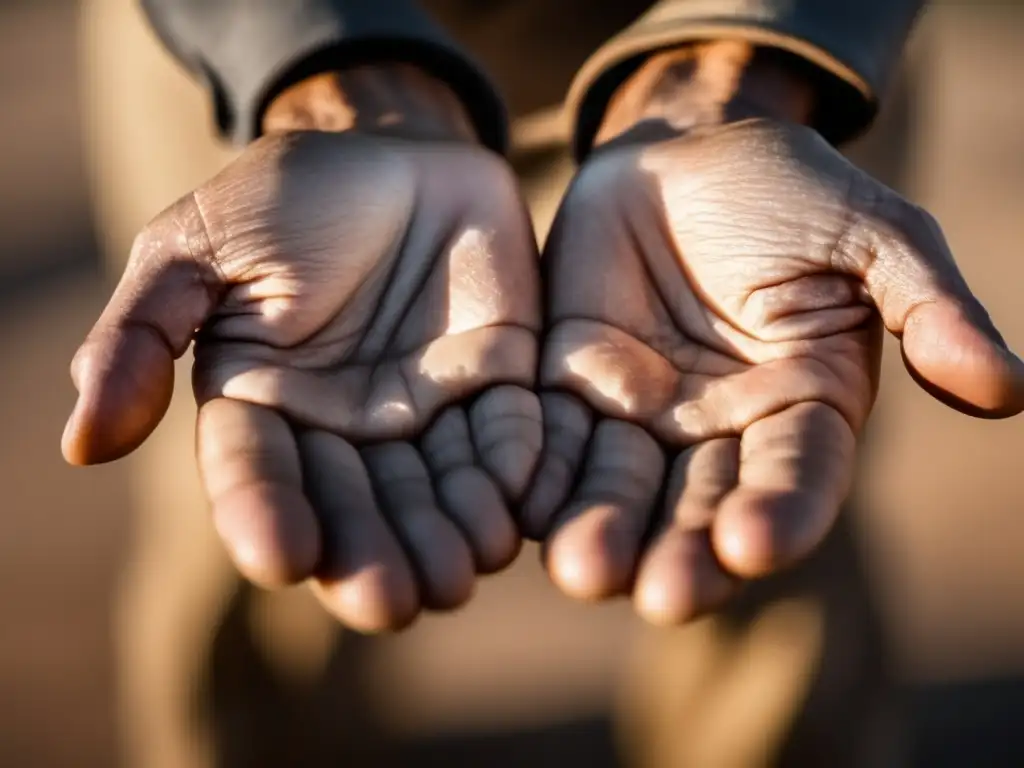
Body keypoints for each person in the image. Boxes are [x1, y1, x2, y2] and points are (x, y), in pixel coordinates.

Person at [70, 1, 1023, 766]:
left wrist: (744, 63)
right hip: (260, 43)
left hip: (780, 51)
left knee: (765, 526)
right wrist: (319, 65)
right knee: (254, 532)